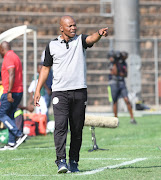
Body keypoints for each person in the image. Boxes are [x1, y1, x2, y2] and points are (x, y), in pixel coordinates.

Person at [34, 15, 108, 173]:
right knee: (60, 127)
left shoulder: (80, 40)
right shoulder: (52, 45)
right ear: (61, 28)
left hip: (79, 91)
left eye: (75, 25)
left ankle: (73, 161)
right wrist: (38, 89)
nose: (73, 28)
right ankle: (61, 161)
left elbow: (91, 39)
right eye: (70, 26)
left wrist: (99, 33)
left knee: (77, 129)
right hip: (60, 93)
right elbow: (45, 69)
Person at [0, 41, 27, 150]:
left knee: (1, 114)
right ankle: (11, 142)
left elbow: (12, 74)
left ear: (2, 49)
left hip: (11, 91)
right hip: (18, 90)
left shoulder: (9, 57)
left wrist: (9, 91)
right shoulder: (15, 56)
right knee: (10, 114)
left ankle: (19, 134)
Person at [107, 50, 137, 124]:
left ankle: (132, 118)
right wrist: (115, 63)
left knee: (127, 100)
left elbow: (125, 74)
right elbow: (114, 72)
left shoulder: (124, 63)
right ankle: (115, 119)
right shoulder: (112, 63)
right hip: (113, 83)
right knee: (115, 101)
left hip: (122, 83)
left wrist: (120, 73)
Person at [41, 50, 52, 122]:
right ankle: (46, 122)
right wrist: (47, 88)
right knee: (45, 107)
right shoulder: (44, 66)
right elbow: (42, 78)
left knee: (47, 106)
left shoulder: (50, 66)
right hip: (46, 90)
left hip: (49, 88)